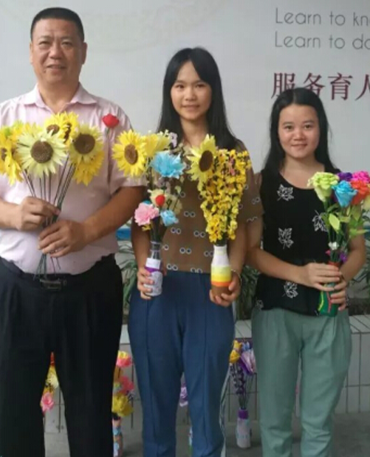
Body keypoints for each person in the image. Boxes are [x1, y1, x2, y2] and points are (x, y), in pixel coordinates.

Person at [0, 7, 143, 457]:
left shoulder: (108, 117)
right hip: (18, 291)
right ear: (31, 52)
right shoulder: (5, 117)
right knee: (14, 416)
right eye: (45, 42)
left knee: (91, 412)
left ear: (83, 52)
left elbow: (132, 190)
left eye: (65, 42)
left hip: (90, 290)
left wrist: (86, 231)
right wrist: (13, 215)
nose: (55, 52)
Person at [128, 47, 263, 457]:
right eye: (180, 85)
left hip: (211, 292)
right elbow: (138, 220)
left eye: (199, 85)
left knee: (206, 412)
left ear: (213, 90)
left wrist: (233, 273)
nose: (189, 95)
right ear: (169, 91)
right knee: (156, 407)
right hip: (158, 291)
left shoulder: (232, 151)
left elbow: (244, 223)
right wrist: (144, 268)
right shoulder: (152, 149)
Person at [246, 88, 366, 457]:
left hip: (328, 313)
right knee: (274, 420)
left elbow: (358, 250)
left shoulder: (344, 185)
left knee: (319, 422)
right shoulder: (260, 183)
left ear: (321, 129)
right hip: (275, 312)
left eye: (307, 126)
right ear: (276, 131)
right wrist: (299, 274)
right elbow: (251, 252)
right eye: (288, 126)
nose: (298, 135)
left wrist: (342, 279)